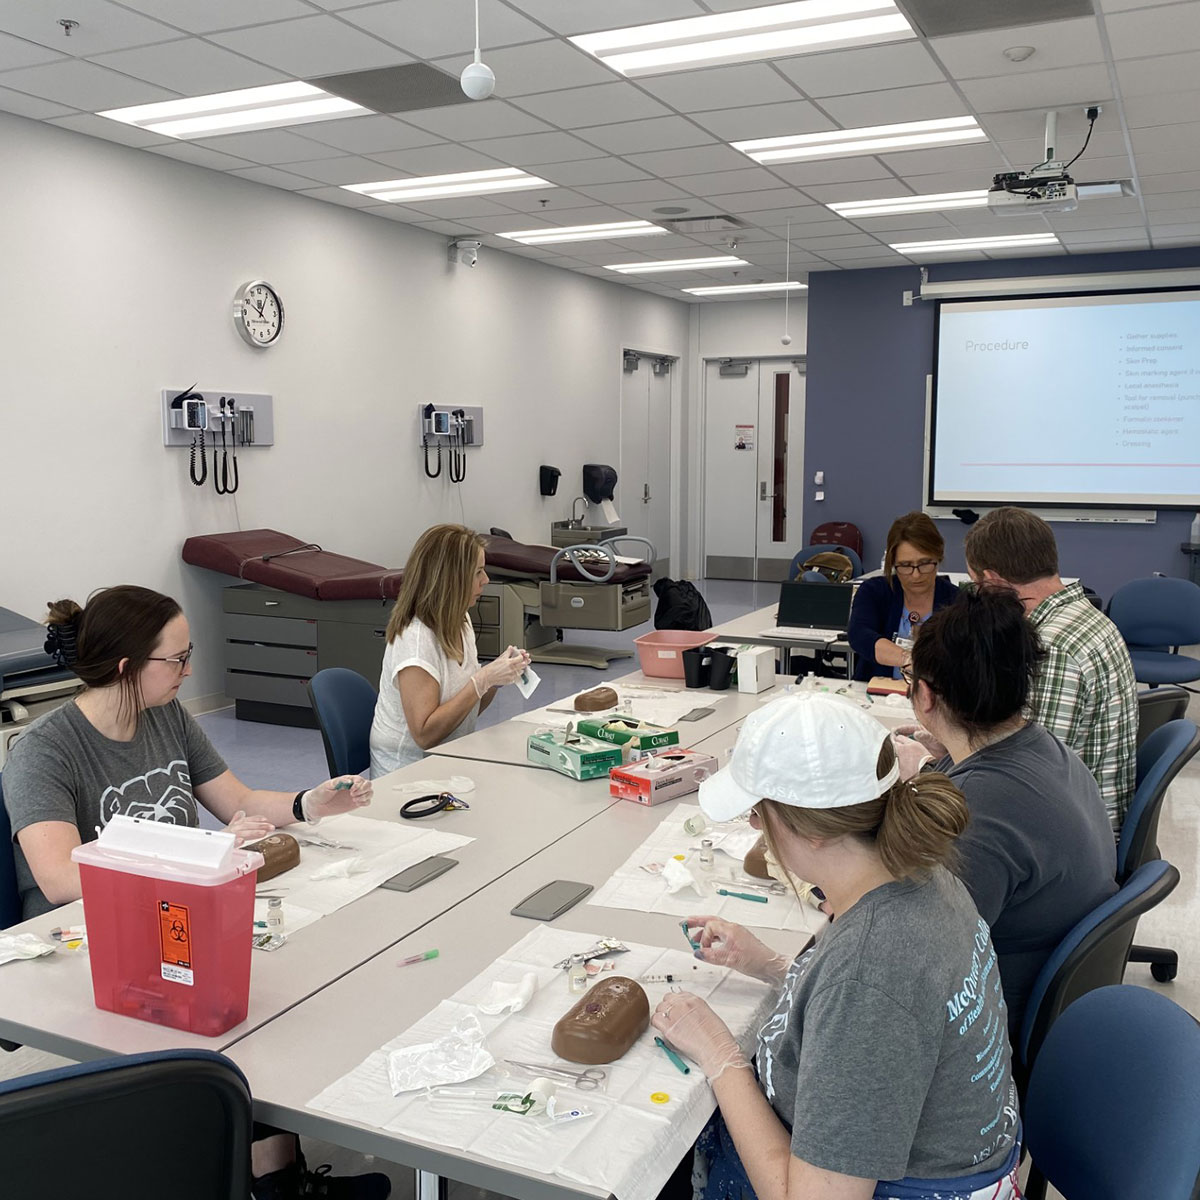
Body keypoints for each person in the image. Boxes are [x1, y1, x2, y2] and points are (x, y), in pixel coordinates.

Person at [1, 585, 389, 1200]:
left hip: (172, 920)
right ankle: (261, 1177)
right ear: (128, 667)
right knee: (246, 1022)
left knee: (271, 995)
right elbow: (59, 880)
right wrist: (197, 853)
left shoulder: (166, 716)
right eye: (177, 660)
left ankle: (276, 1178)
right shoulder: (43, 752)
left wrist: (307, 803)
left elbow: (236, 802)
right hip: (87, 944)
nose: (190, 670)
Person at [653, 693, 1021, 1200]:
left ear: (813, 830)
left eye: (759, 815)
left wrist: (720, 1054)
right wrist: (769, 964)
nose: (757, 830)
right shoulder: (923, 871)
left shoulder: (871, 973)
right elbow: (884, 1017)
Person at [898, 587, 1117, 1041]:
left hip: (987, 1029)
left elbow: (908, 965)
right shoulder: (1046, 747)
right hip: (1057, 1005)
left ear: (924, 695)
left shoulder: (971, 811)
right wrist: (939, 762)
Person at [963, 506, 1137, 833]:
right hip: (1087, 817)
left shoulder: (1052, 647)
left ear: (992, 583)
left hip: (1075, 842)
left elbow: (1032, 780)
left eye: (976, 586)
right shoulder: (1087, 618)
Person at [369, 524, 529, 776]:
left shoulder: (460, 619)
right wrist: (482, 679)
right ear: (450, 579)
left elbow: (465, 709)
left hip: (446, 760)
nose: (485, 580)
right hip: (407, 776)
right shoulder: (416, 640)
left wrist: (496, 679)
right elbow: (425, 735)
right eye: (477, 572)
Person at [846, 511, 958, 682]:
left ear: (938, 556)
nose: (916, 575)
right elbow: (859, 635)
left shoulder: (957, 601)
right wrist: (908, 659)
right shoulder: (874, 591)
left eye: (925, 563)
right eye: (905, 566)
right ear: (892, 562)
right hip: (877, 697)